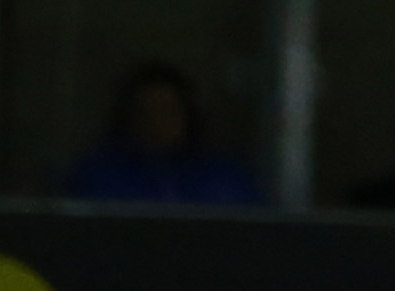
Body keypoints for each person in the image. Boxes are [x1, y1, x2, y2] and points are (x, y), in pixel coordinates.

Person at [58, 63, 263, 207]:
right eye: (147, 110)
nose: (157, 120)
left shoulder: (224, 179)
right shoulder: (96, 177)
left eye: (168, 109)